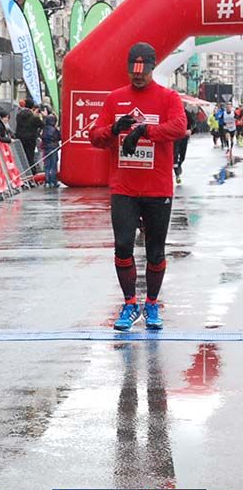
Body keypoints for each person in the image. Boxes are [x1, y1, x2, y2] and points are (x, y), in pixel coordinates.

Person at [89, 42, 187, 332]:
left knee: (155, 251)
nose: (138, 76)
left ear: (153, 68)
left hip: (157, 188)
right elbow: (95, 136)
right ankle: (130, 303)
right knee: (122, 245)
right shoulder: (115, 99)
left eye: (143, 72)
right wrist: (114, 130)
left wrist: (146, 130)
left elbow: (179, 127)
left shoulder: (168, 97)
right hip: (124, 188)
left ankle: (152, 304)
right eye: (133, 71)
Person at [15, 97, 43, 170]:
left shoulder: (18, 115)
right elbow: (42, 125)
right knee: (30, 156)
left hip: (20, 138)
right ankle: (31, 171)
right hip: (30, 139)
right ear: (32, 106)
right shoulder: (34, 117)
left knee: (21, 156)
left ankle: (22, 171)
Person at [41, 113, 61, 188]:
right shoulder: (54, 130)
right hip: (53, 148)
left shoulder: (45, 129)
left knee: (47, 165)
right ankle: (53, 181)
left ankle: (47, 181)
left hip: (46, 148)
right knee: (53, 165)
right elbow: (59, 137)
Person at [173, 105, 191, 186]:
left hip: (184, 137)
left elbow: (193, 123)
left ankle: (179, 165)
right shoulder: (172, 112)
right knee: (175, 155)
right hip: (174, 137)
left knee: (182, 155)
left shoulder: (187, 113)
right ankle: (177, 174)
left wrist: (190, 130)